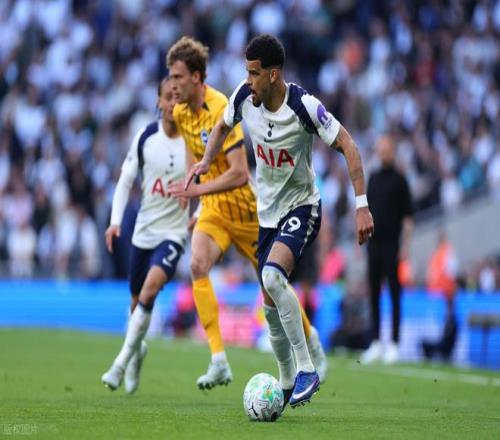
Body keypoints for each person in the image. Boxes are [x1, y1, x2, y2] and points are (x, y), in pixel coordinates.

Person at [184, 34, 374, 407]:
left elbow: (349, 146)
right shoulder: (244, 97)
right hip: (266, 214)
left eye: (254, 73)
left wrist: (362, 205)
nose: (248, 80)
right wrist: (206, 161)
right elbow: (222, 126)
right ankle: (286, 381)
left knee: (272, 276)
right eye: (246, 73)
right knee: (269, 303)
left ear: (273, 75)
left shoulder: (304, 107)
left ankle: (306, 368)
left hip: (303, 207)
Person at [166, 36, 328, 391]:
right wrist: (197, 202)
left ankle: (310, 340)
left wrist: (198, 191)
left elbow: (240, 173)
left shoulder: (224, 104)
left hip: (248, 210)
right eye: (170, 77)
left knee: (272, 285)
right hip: (214, 210)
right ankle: (219, 361)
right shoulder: (179, 113)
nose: (171, 84)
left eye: (177, 77)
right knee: (198, 265)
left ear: (196, 77)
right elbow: (197, 161)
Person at [101, 77, 188, 393]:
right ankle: (138, 351)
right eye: (168, 97)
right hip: (143, 232)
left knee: (150, 292)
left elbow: (207, 181)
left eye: (178, 97)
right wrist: (114, 222)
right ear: (158, 102)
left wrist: (199, 214)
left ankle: (120, 363)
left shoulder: (194, 140)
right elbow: (125, 180)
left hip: (173, 234)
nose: (173, 103)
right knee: (137, 301)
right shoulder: (146, 137)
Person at [361, 134, 413, 365]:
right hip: (373, 244)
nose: (382, 152)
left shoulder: (400, 180)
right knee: (373, 293)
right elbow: (366, 211)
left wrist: (406, 245)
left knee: (394, 294)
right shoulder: (372, 178)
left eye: (386, 148)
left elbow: (408, 217)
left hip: (392, 245)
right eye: (380, 148)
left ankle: (394, 343)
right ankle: (375, 342)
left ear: (392, 150)